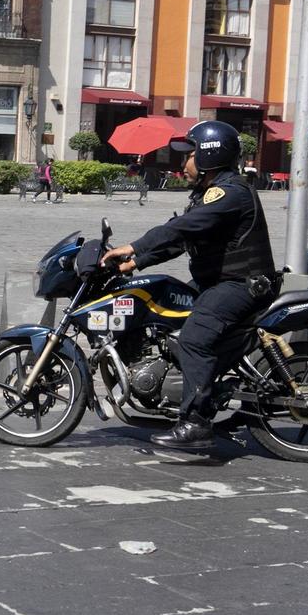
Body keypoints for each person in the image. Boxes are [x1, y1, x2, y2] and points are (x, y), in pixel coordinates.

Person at [101, 120, 278, 450]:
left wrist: (134, 246)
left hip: (242, 285)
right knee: (165, 309)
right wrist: (137, 262)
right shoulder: (208, 194)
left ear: (210, 156)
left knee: (195, 338)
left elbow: (184, 227)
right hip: (219, 282)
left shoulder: (230, 193)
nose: (183, 163)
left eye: (189, 155)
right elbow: (182, 239)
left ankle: (195, 423)